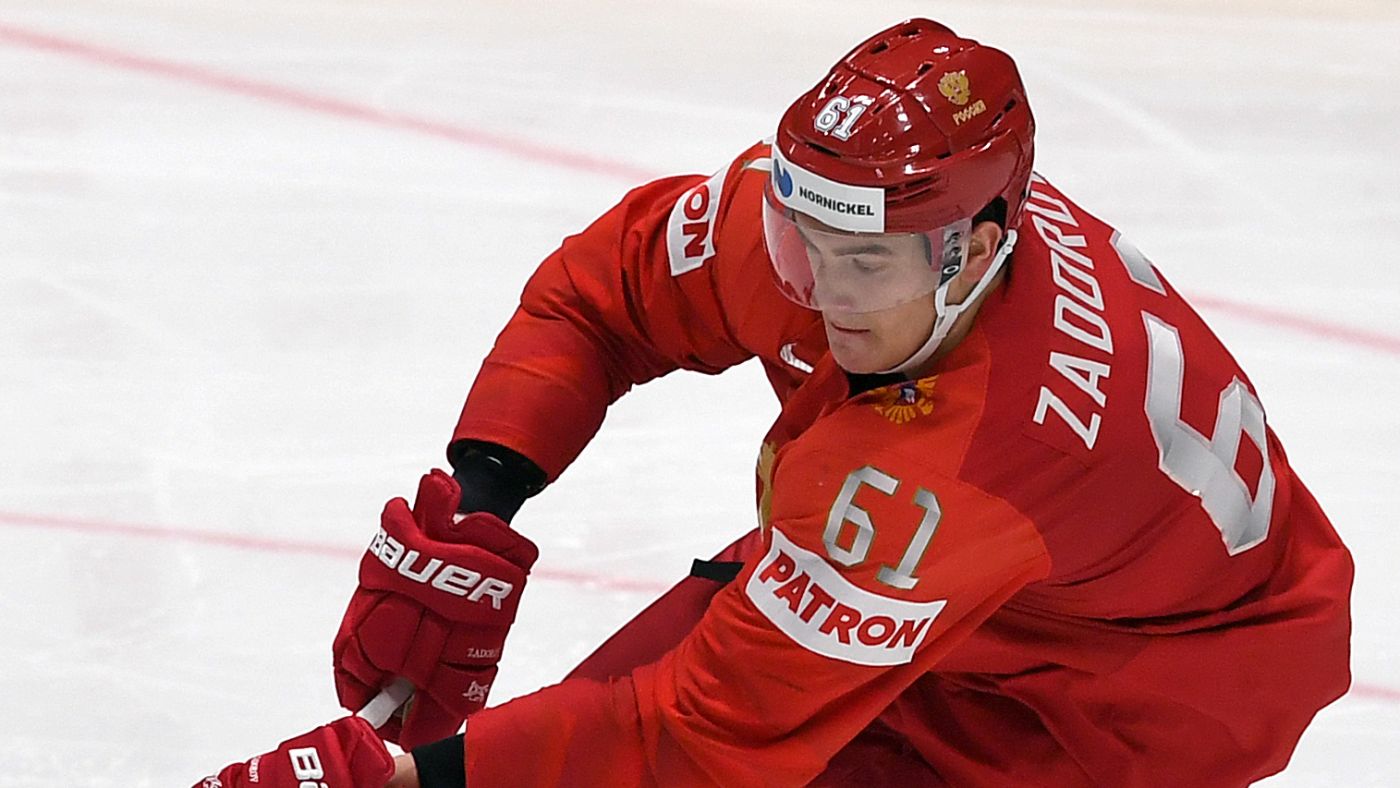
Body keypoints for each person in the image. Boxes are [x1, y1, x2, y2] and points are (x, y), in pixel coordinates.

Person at [196, 17, 1353, 788]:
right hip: (995, 584)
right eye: (799, 242)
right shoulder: (861, 221)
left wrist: (407, 777)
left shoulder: (955, 466)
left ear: (974, 248)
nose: (817, 292)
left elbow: (694, 736)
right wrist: (481, 498)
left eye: (862, 266)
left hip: (1096, 715)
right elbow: (604, 295)